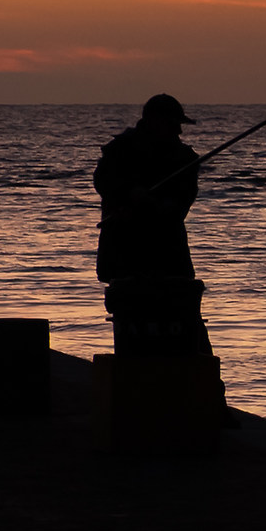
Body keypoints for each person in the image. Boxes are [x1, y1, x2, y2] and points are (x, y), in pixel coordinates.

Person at [94, 93, 214, 361]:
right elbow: (104, 183)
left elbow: (181, 203)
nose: (179, 130)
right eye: (173, 124)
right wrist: (129, 194)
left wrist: (153, 203)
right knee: (135, 325)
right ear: (153, 122)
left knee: (185, 323)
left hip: (168, 254)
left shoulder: (184, 158)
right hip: (125, 254)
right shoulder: (118, 152)